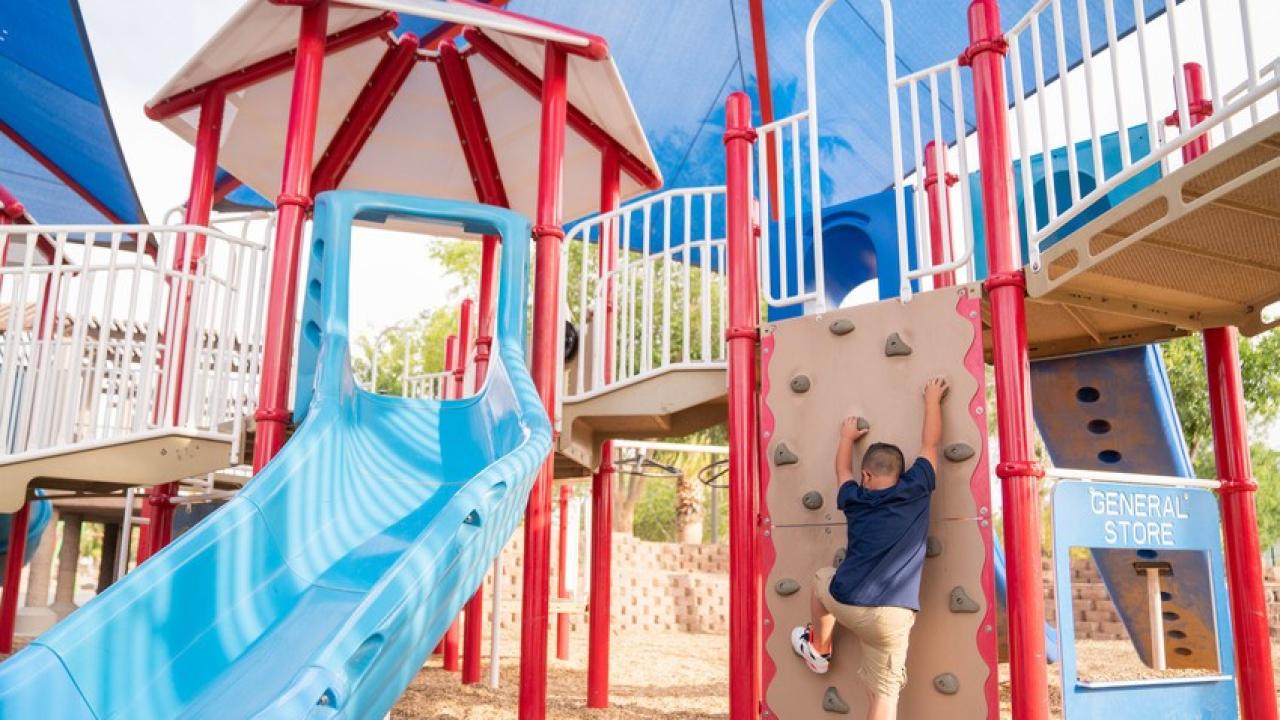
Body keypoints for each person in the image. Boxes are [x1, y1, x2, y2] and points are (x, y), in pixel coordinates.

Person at [791, 376, 949, 720]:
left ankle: (819, 648)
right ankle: (822, 649)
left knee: (821, 579)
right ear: (903, 474)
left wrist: (846, 437)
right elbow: (931, 443)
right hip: (893, 617)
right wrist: (932, 399)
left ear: (866, 476)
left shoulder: (855, 498)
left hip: (848, 601)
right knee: (884, 696)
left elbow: (841, 469)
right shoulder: (916, 488)